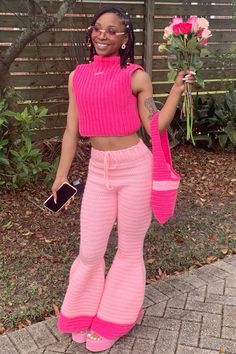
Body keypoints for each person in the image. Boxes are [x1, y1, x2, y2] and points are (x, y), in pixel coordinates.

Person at [51, 5, 195, 352]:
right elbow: (71, 130)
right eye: (98, 28)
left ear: (125, 37)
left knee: (128, 252)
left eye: (112, 30)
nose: (102, 35)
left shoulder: (136, 75)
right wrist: (61, 175)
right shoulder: (77, 76)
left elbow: (154, 126)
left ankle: (114, 319)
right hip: (98, 170)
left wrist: (175, 90)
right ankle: (83, 312)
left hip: (135, 169)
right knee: (89, 251)